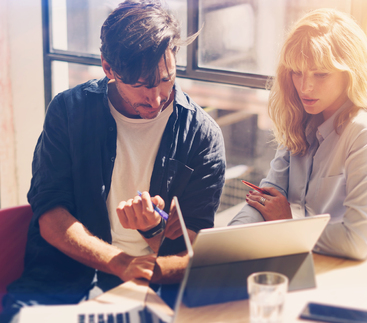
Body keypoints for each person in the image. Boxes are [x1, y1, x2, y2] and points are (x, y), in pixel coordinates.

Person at [0, 0, 225, 321]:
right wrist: (119, 262)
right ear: (108, 68)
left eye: (166, 79)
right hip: (61, 279)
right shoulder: (69, 111)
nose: (156, 98)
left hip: (153, 289)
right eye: (141, 86)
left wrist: (153, 231)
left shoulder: (201, 135)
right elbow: (50, 215)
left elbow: (194, 247)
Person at [229, 8, 367, 268]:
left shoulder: (365, 131)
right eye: (297, 72)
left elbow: (357, 241)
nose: (305, 87)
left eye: (320, 74)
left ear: (350, 73)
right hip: (329, 263)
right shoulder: (300, 121)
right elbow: (266, 199)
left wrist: (287, 224)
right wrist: (225, 244)